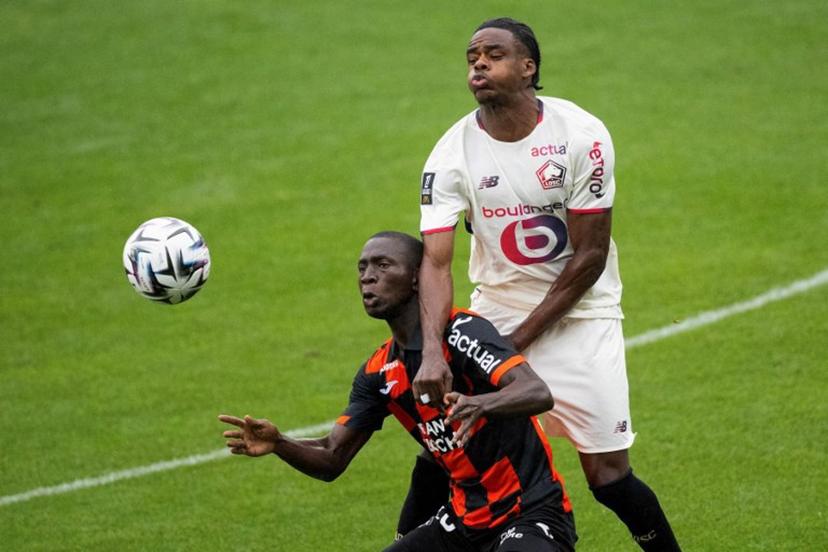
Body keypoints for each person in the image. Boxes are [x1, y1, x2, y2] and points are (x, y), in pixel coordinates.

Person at [411, 17, 681, 551]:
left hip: (583, 314)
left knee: (608, 476)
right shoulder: (450, 155)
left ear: (528, 67)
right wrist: (435, 352)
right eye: (472, 57)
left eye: (493, 54)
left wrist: (514, 345)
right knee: (445, 451)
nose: (479, 64)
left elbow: (589, 258)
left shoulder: (581, 136)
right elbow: (435, 264)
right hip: (497, 310)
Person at [219, 231, 577, 551]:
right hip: (465, 521)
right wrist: (280, 443)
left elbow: (536, 392)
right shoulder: (377, 373)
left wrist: (481, 404)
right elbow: (332, 457)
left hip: (529, 512)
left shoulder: (463, 332)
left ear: (418, 279)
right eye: (361, 268)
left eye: (382, 265)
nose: (367, 277)